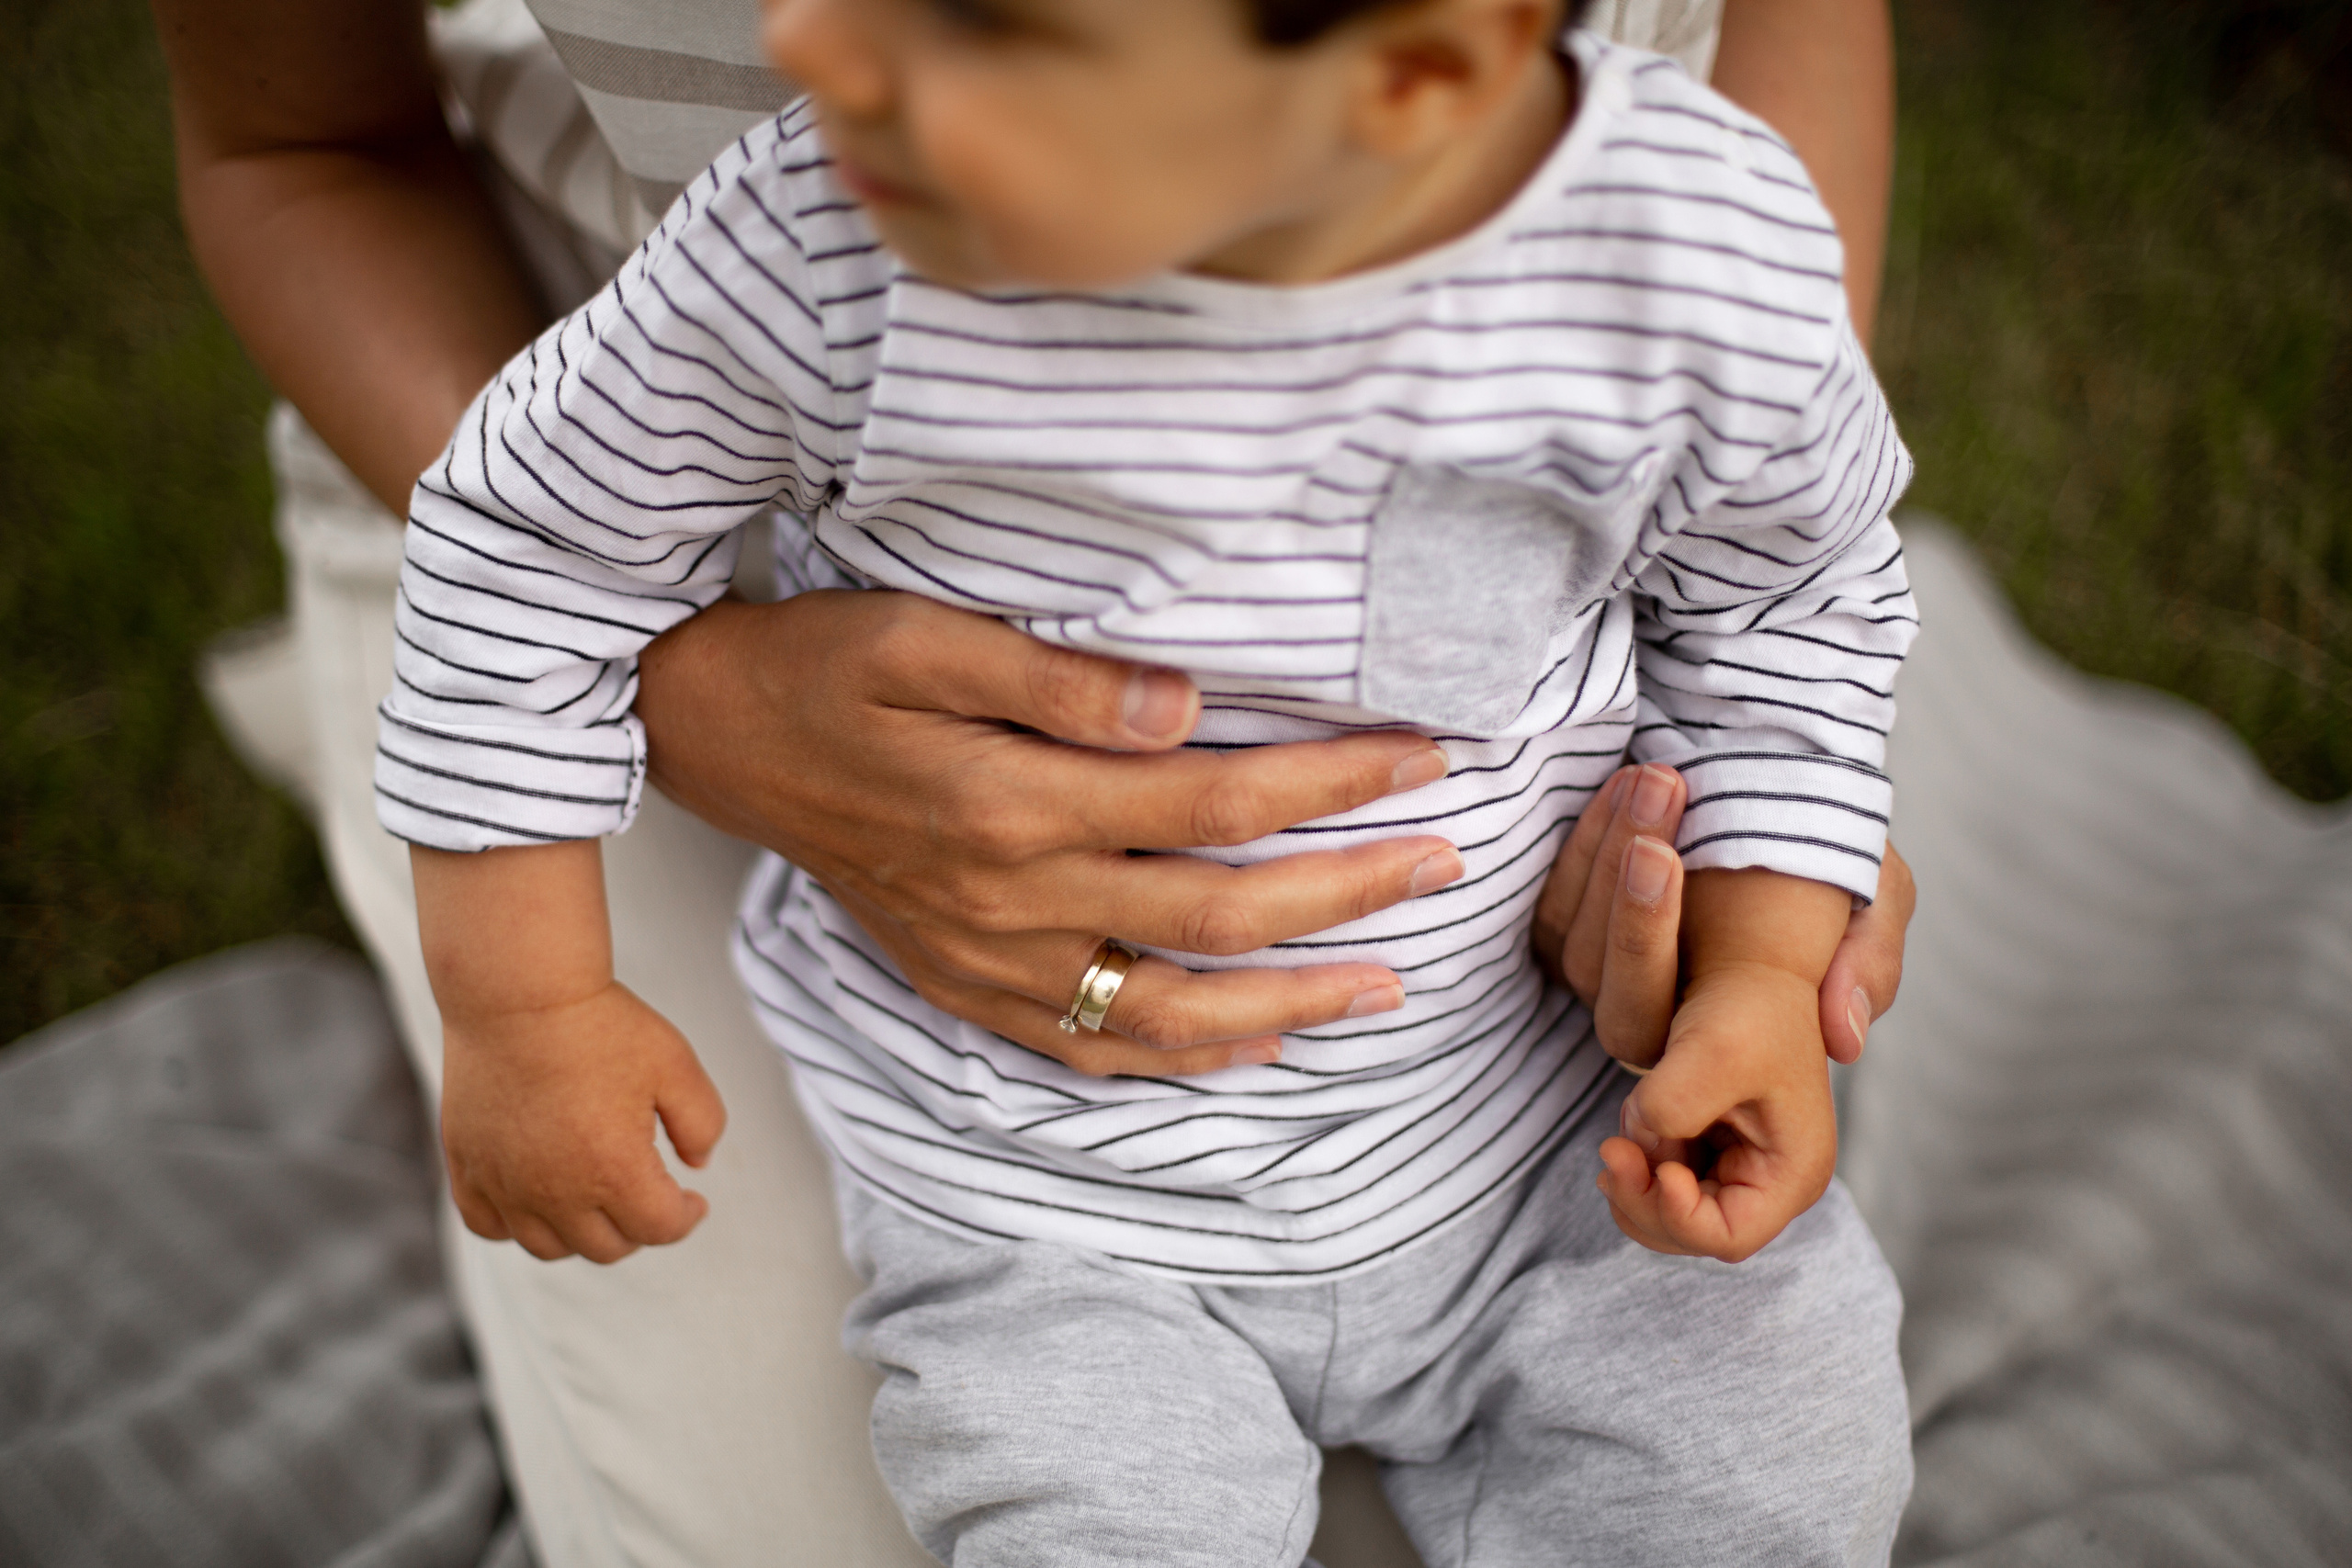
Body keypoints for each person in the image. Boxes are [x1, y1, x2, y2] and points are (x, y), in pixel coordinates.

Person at [155, 0, 1913, 1560]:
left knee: (1772, 1468)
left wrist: (1760, 955)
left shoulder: (1695, 249)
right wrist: (530, 1004)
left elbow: (1786, 589)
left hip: (1553, 1134)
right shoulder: (819, 236)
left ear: (1418, 71)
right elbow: (524, 537)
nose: (814, 46)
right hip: (1038, 1195)